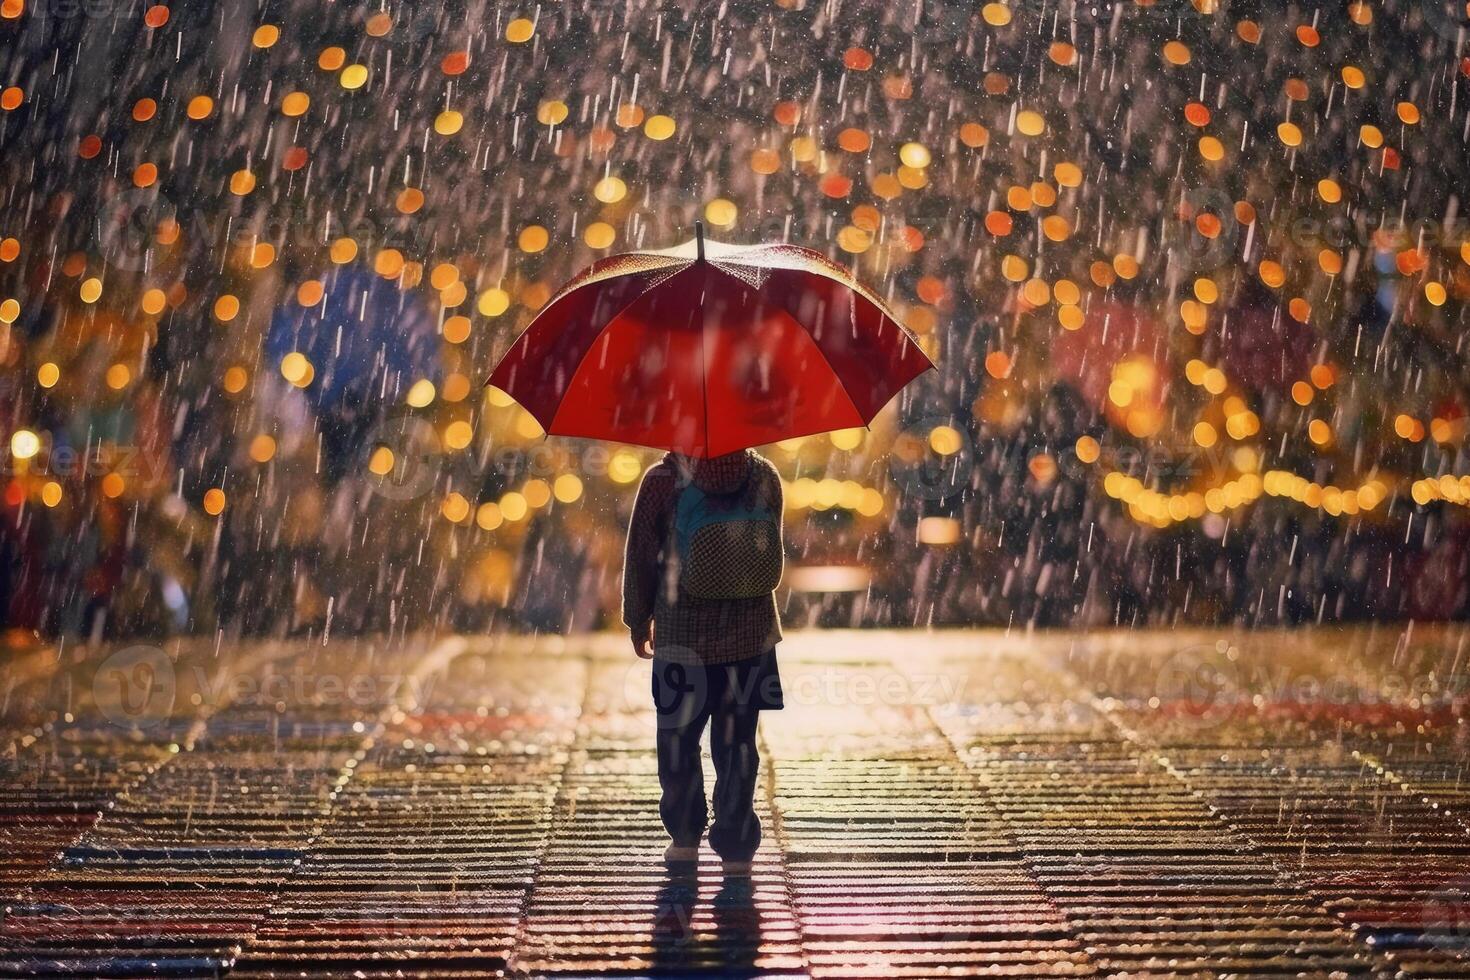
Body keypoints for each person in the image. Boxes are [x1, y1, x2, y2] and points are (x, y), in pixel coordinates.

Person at [623, 448, 785, 876]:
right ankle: (735, 842)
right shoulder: (763, 475)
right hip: (750, 638)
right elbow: (764, 555)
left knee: (677, 740)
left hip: (681, 637)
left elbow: (641, 555)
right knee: (738, 745)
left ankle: (684, 836)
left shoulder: (662, 480)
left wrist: (638, 619)